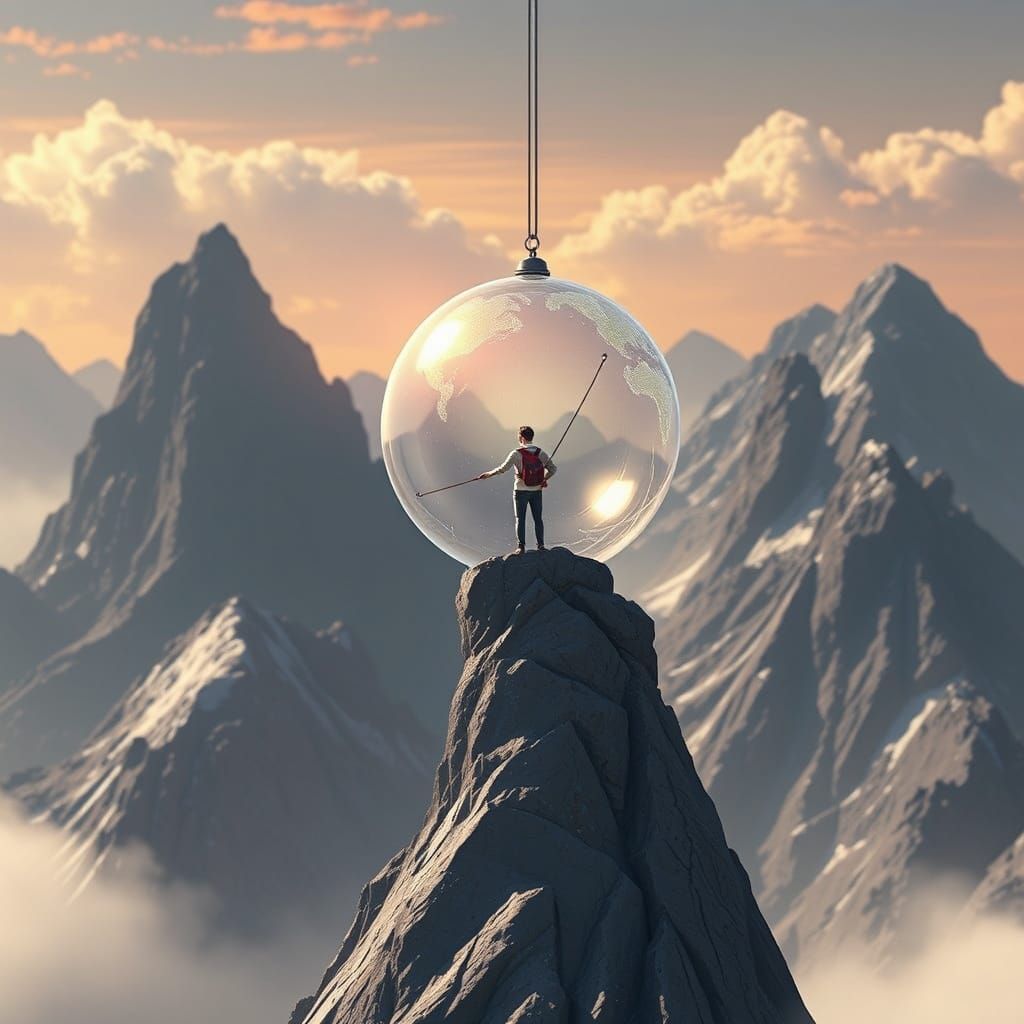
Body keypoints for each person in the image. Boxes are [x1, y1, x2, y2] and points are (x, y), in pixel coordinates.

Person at [479, 426, 557, 553]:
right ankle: (541, 545)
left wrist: (488, 474)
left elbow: (503, 469)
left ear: (521, 438)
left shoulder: (516, 453)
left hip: (520, 491)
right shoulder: (540, 453)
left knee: (520, 519)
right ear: (532, 437)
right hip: (536, 491)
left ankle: (521, 547)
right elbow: (553, 469)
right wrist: (543, 479)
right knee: (538, 518)